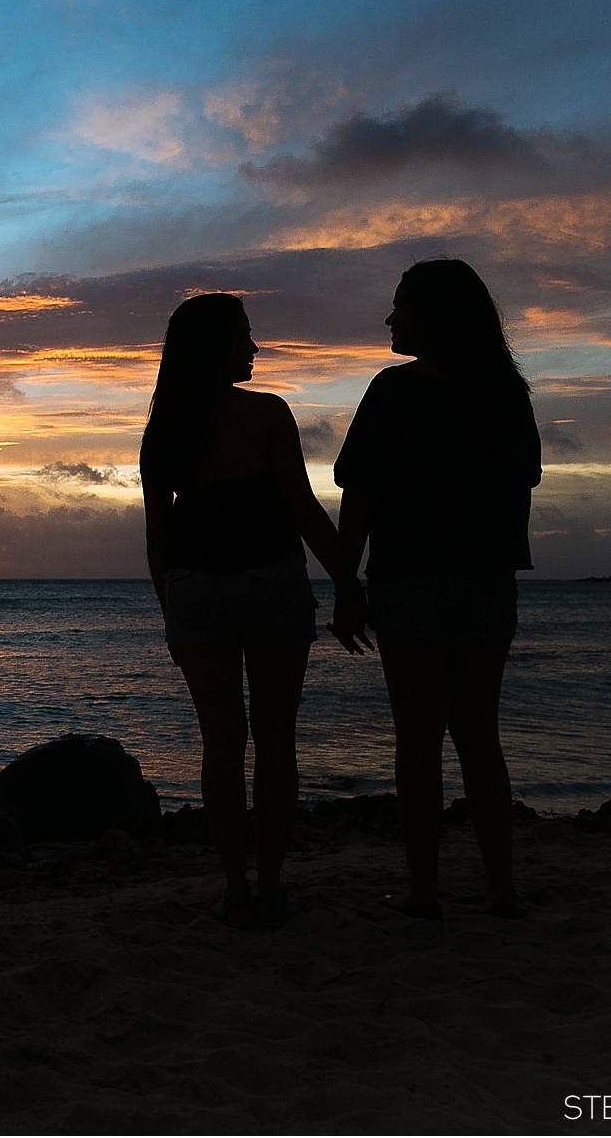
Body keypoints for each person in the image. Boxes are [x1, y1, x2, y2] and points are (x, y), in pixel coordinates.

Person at [141, 293, 367, 929]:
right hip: (267, 579)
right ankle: (269, 884)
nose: (254, 347)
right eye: (243, 335)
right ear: (216, 348)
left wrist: (171, 608)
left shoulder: (163, 432)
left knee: (221, 743)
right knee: (274, 741)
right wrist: (348, 581)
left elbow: (159, 535)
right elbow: (300, 507)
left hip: (193, 586)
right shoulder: (266, 414)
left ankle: (235, 887)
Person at [333, 259, 543, 921]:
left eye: (401, 306)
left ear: (434, 315)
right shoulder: (505, 393)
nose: (391, 319)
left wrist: (347, 584)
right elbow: (523, 486)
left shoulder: (395, 392)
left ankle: (425, 889)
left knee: (419, 740)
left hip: (412, 580)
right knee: (479, 736)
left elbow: (358, 497)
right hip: (486, 583)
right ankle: (500, 888)